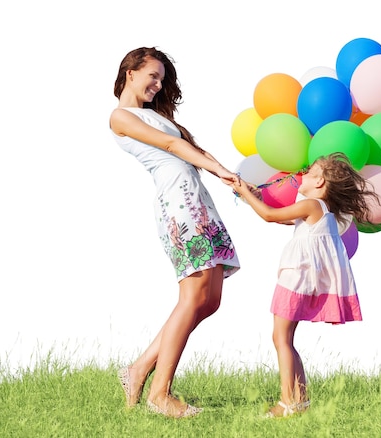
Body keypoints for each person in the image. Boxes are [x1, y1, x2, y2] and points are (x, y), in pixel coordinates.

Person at [109, 47, 241, 418]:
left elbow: (188, 146)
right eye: (152, 75)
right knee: (193, 294)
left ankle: (137, 371)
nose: (157, 83)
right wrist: (217, 170)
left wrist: (225, 174)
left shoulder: (155, 115)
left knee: (209, 298)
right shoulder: (120, 117)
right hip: (179, 204)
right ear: (130, 72)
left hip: (197, 199)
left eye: (162, 79)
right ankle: (159, 394)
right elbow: (170, 145)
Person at [230, 152, 379, 418]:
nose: (303, 174)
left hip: (295, 278)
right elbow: (284, 217)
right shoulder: (320, 210)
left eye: (310, 172)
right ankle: (300, 399)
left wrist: (243, 189)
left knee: (281, 338)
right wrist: (252, 196)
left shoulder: (312, 205)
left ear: (320, 182)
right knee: (285, 338)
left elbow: (269, 216)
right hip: (301, 279)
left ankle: (287, 402)